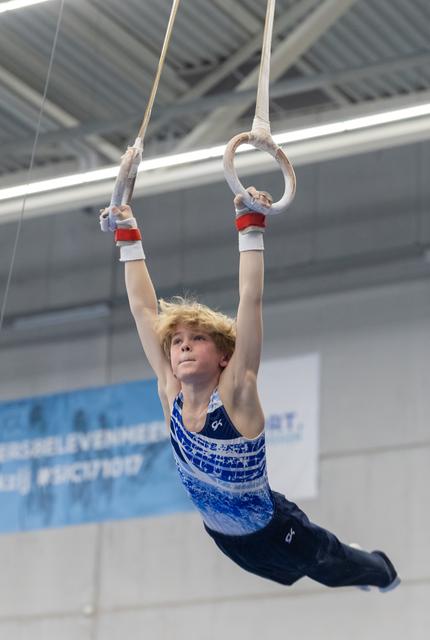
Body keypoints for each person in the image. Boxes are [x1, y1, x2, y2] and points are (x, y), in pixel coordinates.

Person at [99, 187, 399, 591]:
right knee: (296, 575)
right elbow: (144, 310)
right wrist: (127, 233)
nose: (183, 345)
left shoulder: (237, 392)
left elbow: (250, 300)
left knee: (331, 567)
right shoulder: (171, 392)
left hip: (274, 528)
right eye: (177, 341)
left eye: (198, 339)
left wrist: (250, 225)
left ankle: (380, 571)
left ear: (225, 355)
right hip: (226, 539)